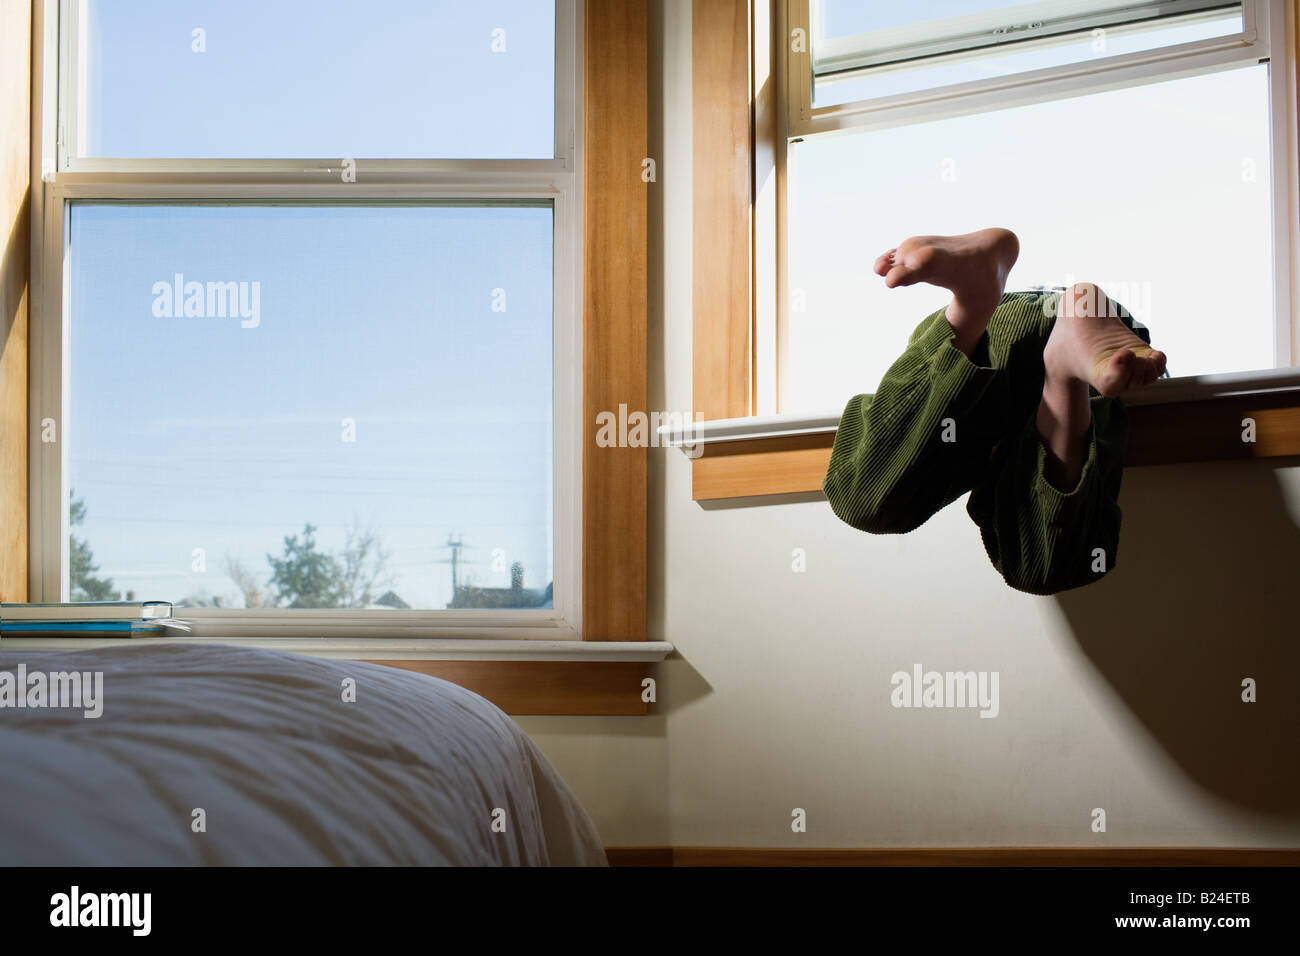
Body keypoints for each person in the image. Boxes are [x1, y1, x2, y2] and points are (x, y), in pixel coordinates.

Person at [822, 228, 1166, 595]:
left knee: (866, 496)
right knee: (1041, 564)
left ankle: (976, 308)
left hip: (1000, 328)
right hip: (1076, 331)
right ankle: (1047, 359)